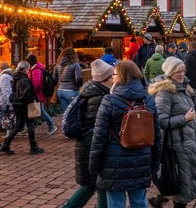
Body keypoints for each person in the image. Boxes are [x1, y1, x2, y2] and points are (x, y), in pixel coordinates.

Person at [89, 60, 161, 208]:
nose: (113, 77)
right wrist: (155, 163)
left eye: (115, 74)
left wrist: (93, 165)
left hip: (114, 160)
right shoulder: (148, 100)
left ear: (120, 76)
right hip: (142, 157)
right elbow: (156, 135)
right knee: (139, 202)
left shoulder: (109, 100)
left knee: (116, 203)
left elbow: (99, 137)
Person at [148, 57, 196, 208]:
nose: (181, 74)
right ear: (169, 73)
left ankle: (160, 199)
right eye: (177, 72)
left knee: (182, 182)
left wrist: (191, 93)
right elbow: (161, 121)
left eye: (183, 71)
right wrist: (184, 118)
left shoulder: (182, 87)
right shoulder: (165, 92)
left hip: (186, 143)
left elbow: (187, 107)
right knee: (182, 185)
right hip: (176, 146)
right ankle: (165, 199)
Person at [61, 59, 114, 208]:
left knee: (93, 184)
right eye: (112, 76)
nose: (114, 78)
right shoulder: (99, 98)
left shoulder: (91, 91)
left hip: (87, 144)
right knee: (96, 183)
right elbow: (102, 124)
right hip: (92, 146)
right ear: (105, 79)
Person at [0, 61, 44, 155]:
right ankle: (33, 147)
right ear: (25, 69)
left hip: (16, 104)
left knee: (18, 125)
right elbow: (25, 94)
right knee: (30, 124)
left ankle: (6, 145)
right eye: (28, 69)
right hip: (24, 105)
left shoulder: (15, 77)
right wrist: (31, 100)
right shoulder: (24, 79)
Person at [27, 53, 58, 135]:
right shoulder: (35, 69)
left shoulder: (36, 70)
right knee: (37, 111)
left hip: (37, 94)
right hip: (36, 94)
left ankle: (51, 125)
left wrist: (29, 89)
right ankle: (29, 127)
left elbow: (36, 84)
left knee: (41, 111)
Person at [54, 48, 84, 113]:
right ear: (74, 55)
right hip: (72, 90)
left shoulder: (57, 65)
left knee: (66, 113)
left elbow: (54, 79)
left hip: (60, 91)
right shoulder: (75, 65)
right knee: (74, 112)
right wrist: (79, 85)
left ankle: (65, 123)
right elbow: (79, 78)